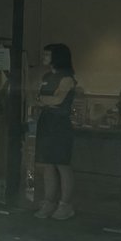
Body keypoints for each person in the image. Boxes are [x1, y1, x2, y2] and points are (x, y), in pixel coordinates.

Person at [34, 42, 77, 220]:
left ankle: (65, 204)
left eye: (47, 55)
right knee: (48, 164)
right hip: (46, 122)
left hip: (60, 124)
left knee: (62, 164)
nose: (43, 57)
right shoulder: (46, 76)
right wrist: (44, 100)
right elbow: (41, 98)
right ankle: (49, 201)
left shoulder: (67, 78)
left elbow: (57, 100)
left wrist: (43, 100)